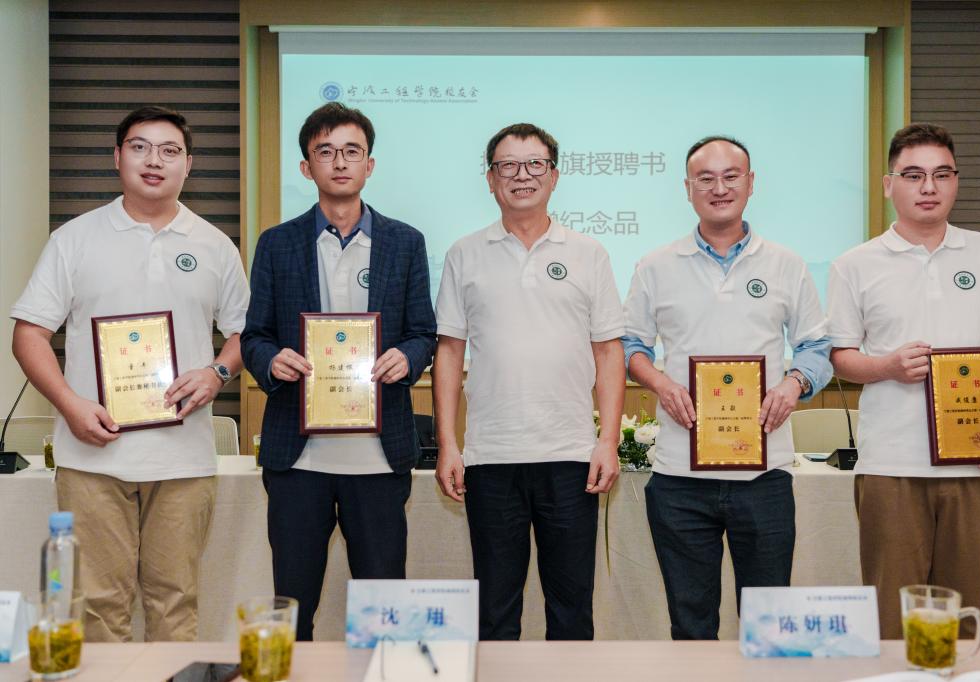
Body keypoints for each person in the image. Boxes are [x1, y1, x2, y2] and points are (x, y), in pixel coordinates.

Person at [11, 106, 249, 641]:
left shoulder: (215, 245)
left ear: (189, 164)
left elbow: (244, 335)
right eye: (140, 147)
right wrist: (70, 405)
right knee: (98, 609)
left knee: (176, 602)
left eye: (170, 151)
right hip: (92, 455)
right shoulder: (74, 239)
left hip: (183, 459)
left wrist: (217, 372)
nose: (154, 160)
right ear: (117, 157)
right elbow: (28, 335)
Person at [622, 135, 832, 639]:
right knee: (690, 625)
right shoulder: (655, 265)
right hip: (679, 476)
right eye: (706, 178)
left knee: (769, 627)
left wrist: (794, 384)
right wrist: (660, 383)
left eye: (731, 176)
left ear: (751, 183)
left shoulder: (785, 263)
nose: (719, 188)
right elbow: (630, 346)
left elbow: (816, 346)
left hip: (764, 474)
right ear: (687, 188)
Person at [240, 102, 436, 641]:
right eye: (325, 152)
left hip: (378, 456)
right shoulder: (277, 243)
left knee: (382, 612)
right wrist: (271, 360)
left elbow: (424, 331)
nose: (340, 162)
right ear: (307, 167)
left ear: (369, 164)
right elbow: (254, 336)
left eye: (352, 151)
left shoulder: (406, 242)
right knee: (293, 607)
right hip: (298, 457)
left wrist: (408, 357)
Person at [828, 122, 980, 639]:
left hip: (976, 462)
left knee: (964, 612)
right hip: (891, 463)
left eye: (942, 174)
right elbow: (840, 357)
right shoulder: (854, 264)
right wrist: (886, 367)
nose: (929, 187)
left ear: (956, 181)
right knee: (894, 619)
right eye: (913, 175)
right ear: (888, 184)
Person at [433, 123, 625, 640]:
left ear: (554, 176)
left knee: (571, 609)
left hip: (569, 456)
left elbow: (609, 352)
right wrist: (448, 444)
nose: (522, 175)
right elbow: (449, 352)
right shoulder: (464, 254)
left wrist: (607, 441)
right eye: (508, 166)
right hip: (491, 457)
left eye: (535, 164)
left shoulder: (589, 253)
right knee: (495, 612)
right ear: (490, 179)